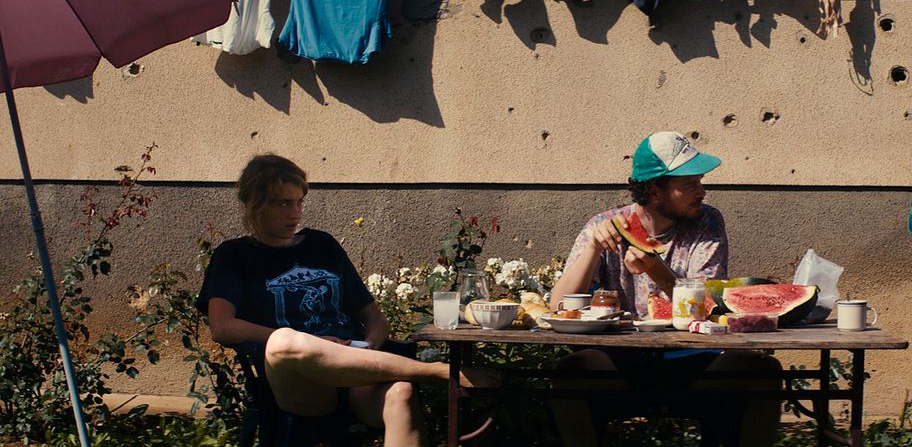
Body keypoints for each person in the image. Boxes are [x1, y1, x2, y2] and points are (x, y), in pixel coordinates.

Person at [197, 154, 498, 446]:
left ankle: (426, 374)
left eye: (300, 202)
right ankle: (440, 373)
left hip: (356, 375)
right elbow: (222, 327)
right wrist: (309, 342)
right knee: (284, 342)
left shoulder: (322, 245)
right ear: (256, 205)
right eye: (284, 203)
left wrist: (366, 348)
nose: (296, 213)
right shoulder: (234, 255)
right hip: (300, 382)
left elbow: (376, 319)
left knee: (401, 393)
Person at [548, 131, 782, 447]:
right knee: (569, 372)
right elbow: (557, 306)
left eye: (700, 181)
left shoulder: (708, 222)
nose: (702, 191)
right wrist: (593, 248)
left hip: (694, 357)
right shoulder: (604, 225)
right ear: (656, 192)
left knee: (763, 371)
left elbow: (708, 306)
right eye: (689, 185)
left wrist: (658, 272)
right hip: (619, 358)